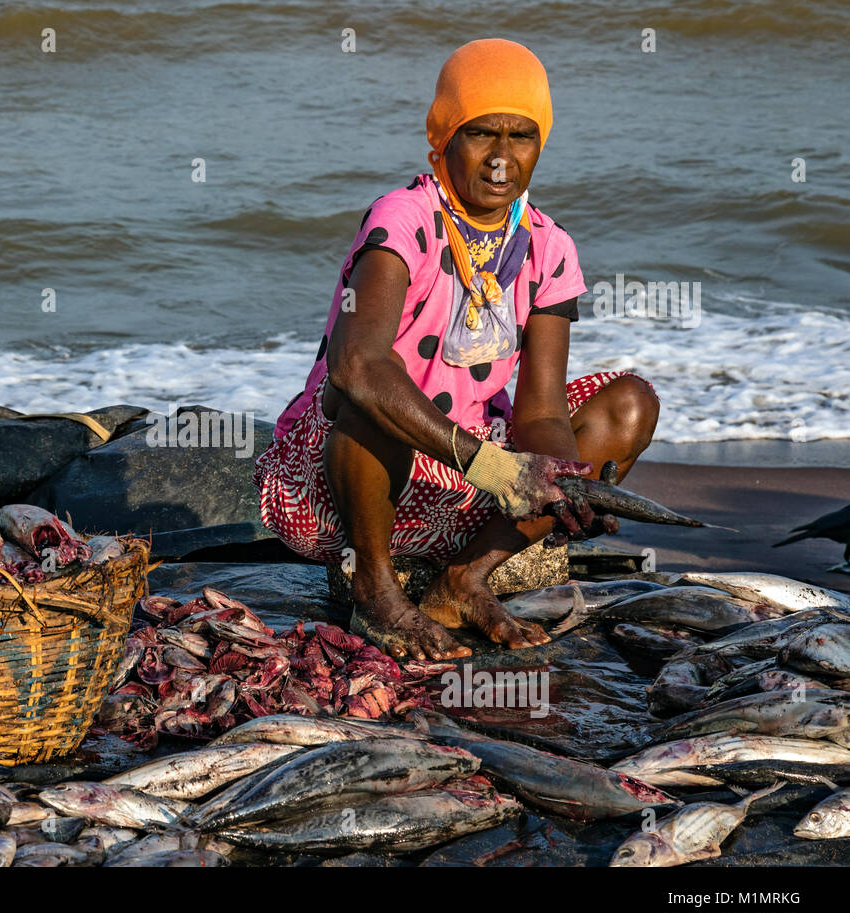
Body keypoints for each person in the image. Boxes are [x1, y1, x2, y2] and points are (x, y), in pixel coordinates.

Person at [253, 38, 659, 661]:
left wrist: (564, 486)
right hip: (354, 470)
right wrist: (494, 469)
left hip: (468, 471)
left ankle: (464, 580)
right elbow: (355, 366)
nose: (502, 158)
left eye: (521, 136)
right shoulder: (403, 219)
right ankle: (377, 592)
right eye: (481, 134)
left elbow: (543, 413)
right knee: (368, 390)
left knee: (629, 404)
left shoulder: (550, 247)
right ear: (444, 135)